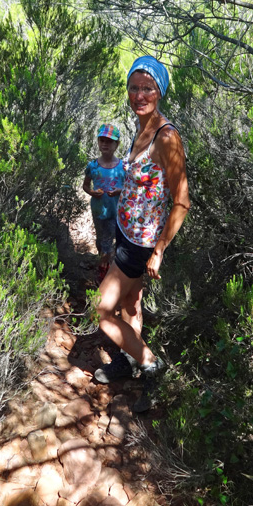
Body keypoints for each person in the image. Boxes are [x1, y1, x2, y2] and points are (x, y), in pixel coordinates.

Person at [93, 56, 190, 412]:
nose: (139, 94)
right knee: (130, 304)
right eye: (134, 87)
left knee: (101, 309)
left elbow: (181, 201)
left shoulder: (166, 137)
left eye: (147, 87)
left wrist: (159, 250)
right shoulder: (141, 126)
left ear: (160, 91)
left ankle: (151, 365)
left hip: (139, 245)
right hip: (125, 231)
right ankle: (125, 363)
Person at [83, 124, 126, 280]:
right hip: (99, 211)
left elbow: (130, 188)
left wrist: (118, 191)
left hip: (117, 212)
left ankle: (104, 275)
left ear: (116, 144)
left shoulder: (123, 167)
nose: (105, 144)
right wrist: (92, 192)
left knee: (109, 242)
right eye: (102, 140)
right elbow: (86, 185)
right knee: (102, 241)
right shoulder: (93, 166)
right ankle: (104, 258)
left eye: (109, 141)